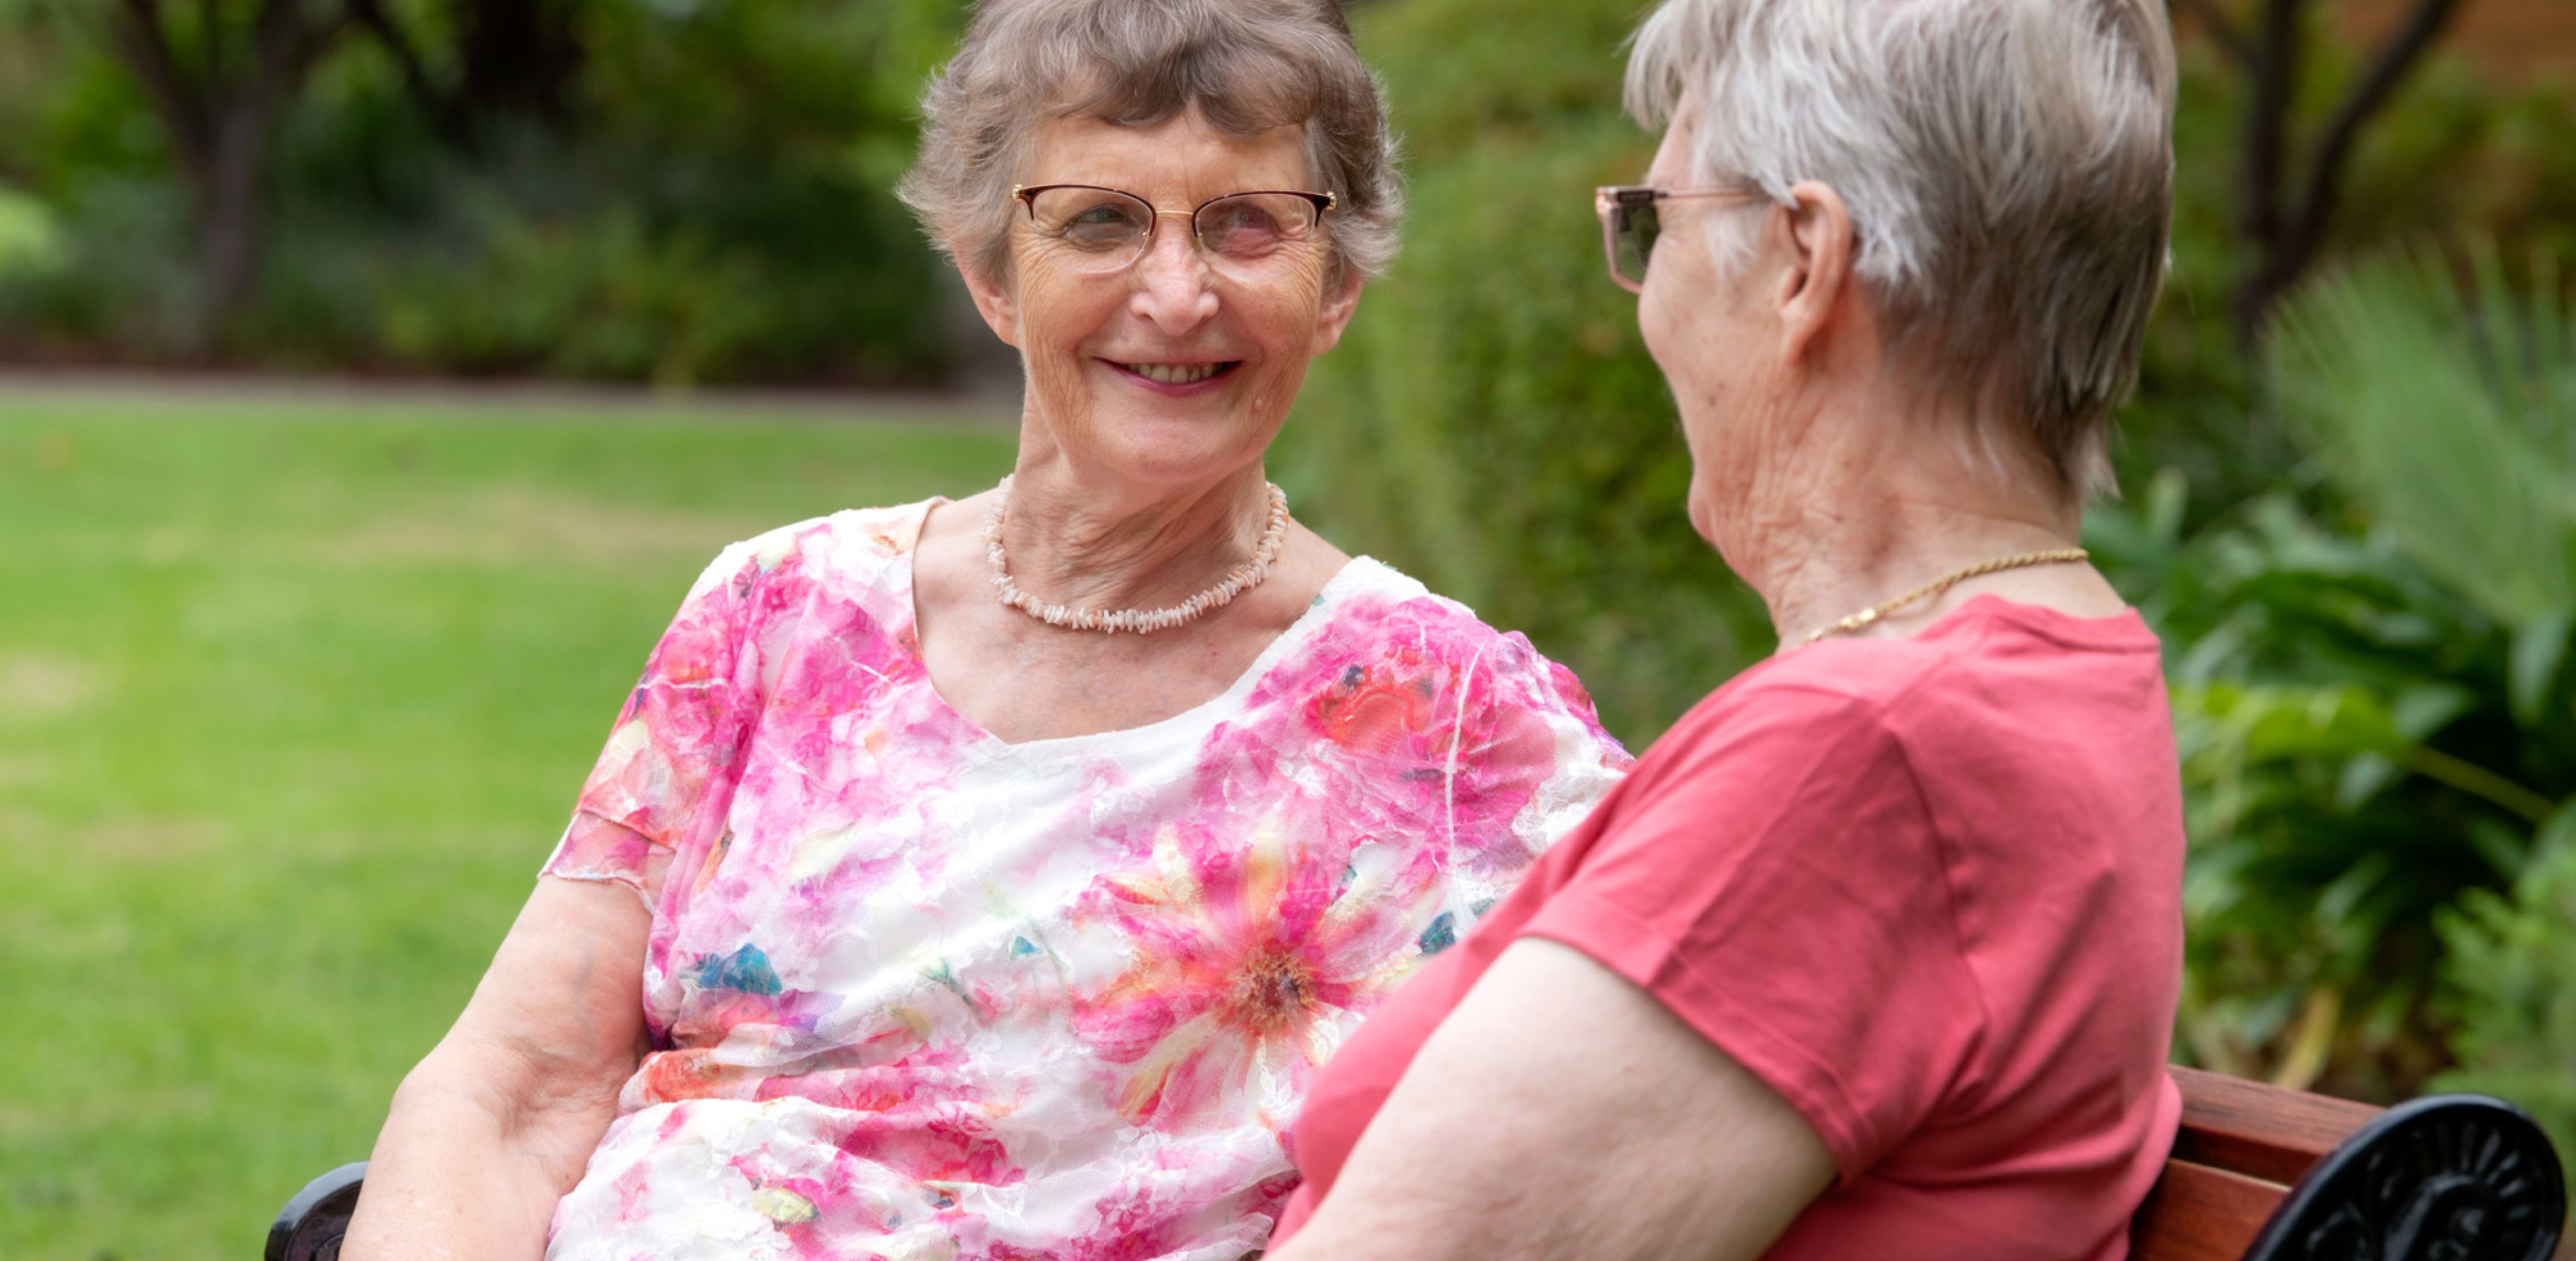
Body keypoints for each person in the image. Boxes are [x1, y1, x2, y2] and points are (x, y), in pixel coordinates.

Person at [339, 2, 1631, 1257]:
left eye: (1247, 224)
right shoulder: (778, 611)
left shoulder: (1448, 718)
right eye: (1101, 223)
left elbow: (1703, 1023)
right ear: (990, 274)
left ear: (1335, 283)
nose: (1177, 295)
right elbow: (509, 1093)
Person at [1267, 1, 2185, 1259]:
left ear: (1804, 261)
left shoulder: (1866, 752)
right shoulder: (2057, 665)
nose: (1645, 298)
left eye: (1654, 225)